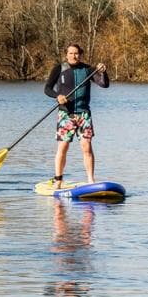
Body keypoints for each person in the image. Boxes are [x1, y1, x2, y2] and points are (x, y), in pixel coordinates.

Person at [43, 44, 109, 189]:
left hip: (84, 114)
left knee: (87, 147)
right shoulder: (59, 69)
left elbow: (104, 84)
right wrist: (57, 96)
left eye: (77, 53)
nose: (74, 56)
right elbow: (47, 89)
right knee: (63, 146)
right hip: (66, 113)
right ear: (66, 54)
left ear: (80, 54)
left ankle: (91, 180)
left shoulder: (88, 69)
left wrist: (103, 72)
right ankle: (58, 179)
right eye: (71, 53)